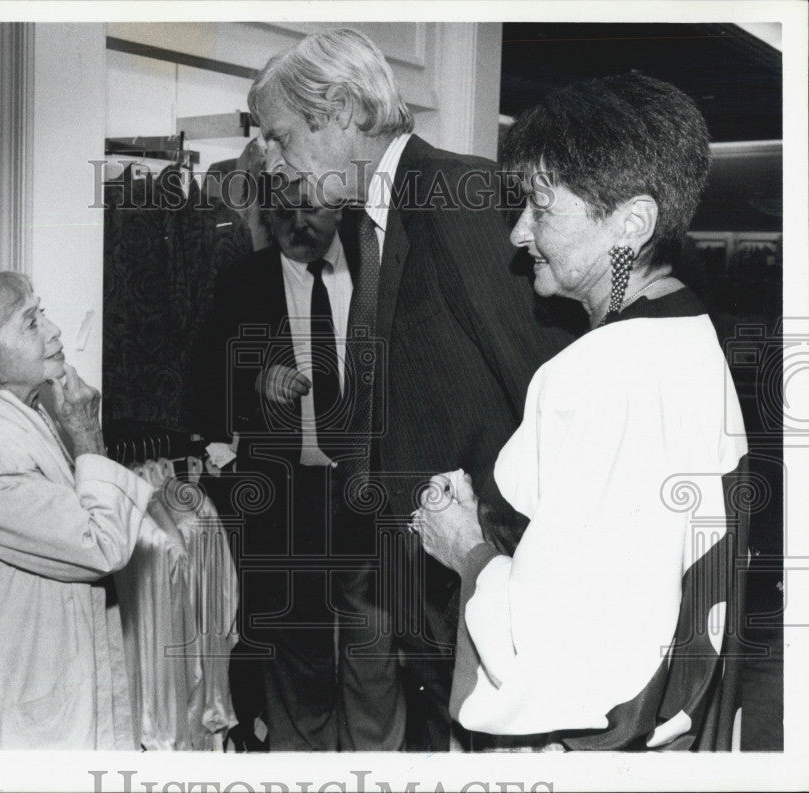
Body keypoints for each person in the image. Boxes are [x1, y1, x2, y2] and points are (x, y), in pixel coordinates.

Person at [246, 27, 574, 749]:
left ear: (339, 109)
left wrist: (517, 569)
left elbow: (548, 396)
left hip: (493, 583)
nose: (269, 163)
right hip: (430, 588)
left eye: (277, 136)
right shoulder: (378, 221)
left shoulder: (458, 197)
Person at [413, 72, 748, 749]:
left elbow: (553, 652)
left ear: (632, 222)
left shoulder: (600, 374)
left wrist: (465, 548)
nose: (517, 234)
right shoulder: (686, 336)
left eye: (542, 209)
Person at [0, 272, 153, 749]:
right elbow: (101, 545)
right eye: (31, 322)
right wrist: (87, 437)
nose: (54, 331)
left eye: (43, 313)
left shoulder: (16, 415)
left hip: (14, 693)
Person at [199, 176, 404, 750]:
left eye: (309, 208)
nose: (297, 223)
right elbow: (204, 390)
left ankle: (378, 769)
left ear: (339, 208)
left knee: (373, 640)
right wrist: (256, 382)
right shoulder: (243, 282)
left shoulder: (377, 273)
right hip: (286, 496)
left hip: (367, 487)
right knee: (299, 643)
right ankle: (304, 770)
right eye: (282, 211)